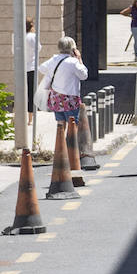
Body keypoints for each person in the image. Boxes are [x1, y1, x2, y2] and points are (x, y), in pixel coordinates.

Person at [39, 36, 90, 175]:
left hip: (56, 97)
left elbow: (41, 68)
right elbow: (84, 75)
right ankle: (72, 153)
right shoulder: (73, 62)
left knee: (61, 125)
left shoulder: (54, 59)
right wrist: (79, 58)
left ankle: (60, 151)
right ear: (73, 48)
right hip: (70, 97)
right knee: (73, 125)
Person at [25, 18, 39, 134]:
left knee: (21, 93)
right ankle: (30, 119)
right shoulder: (32, 37)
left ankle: (17, 117)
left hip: (21, 67)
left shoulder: (17, 36)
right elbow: (38, 48)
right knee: (31, 92)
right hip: (31, 67)